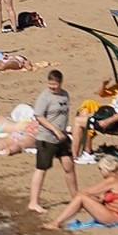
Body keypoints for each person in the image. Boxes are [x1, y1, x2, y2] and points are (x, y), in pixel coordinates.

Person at [28, 69, 79, 214]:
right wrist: (55, 130)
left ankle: (75, 197)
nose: (52, 87)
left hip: (62, 138)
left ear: (60, 83)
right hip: (46, 138)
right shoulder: (45, 97)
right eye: (50, 84)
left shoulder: (65, 95)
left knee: (69, 165)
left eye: (55, 85)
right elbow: (39, 116)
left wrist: (63, 131)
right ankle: (33, 202)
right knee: (42, 168)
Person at [42, 156, 118, 229]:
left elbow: (88, 191)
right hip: (111, 212)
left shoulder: (113, 180)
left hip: (116, 218)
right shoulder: (116, 178)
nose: (100, 172)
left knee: (81, 197)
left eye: (100, 169)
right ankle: (58, 221)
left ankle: (56, 222)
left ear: (106, 169)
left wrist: (77, 197)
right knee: (83, 196)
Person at [73, 79, 118, 163]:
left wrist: (107, 121)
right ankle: (85, 151)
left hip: (116, 122)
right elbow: (101, 94)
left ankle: (78, 155)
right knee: (85, 113)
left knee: (78, 121)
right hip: (110, 115)